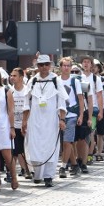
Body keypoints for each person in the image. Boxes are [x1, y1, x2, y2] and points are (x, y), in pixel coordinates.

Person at [24, 55, 68, 187]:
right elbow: (26, 102)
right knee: (35, 146)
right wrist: (25, 120)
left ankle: (49, 176)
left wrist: (62, 119)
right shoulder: (32, 80)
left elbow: (61, 101)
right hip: (35, 119)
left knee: (50, 147)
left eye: (46, 65)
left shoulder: (55, 80)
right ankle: (37, 174)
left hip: (51, 119)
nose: (44, 67)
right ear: (37, 66)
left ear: (50, 65)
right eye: (41, 65)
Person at [9, 67, 31, 180]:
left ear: (21, 77)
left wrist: (26, 121)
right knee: (16, 150)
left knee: (25, 148)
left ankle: (28, 169)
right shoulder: (9, 91)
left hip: (27, 124)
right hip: (14, 125)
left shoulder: (27, 90)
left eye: (15, 76)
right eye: (11, 75)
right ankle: (17, 171)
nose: (12, 78)